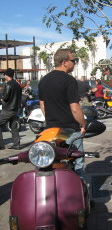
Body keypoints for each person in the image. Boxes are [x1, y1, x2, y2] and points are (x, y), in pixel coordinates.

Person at [38, 49, 86, 177]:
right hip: (70, 130)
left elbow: (42, 105)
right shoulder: (69, 80)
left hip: (51, 131)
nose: (75, 63)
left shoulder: (44, 80)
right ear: (64, 62)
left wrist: (51, 119)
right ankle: (80, 190)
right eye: (73, 60)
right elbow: (75, 108)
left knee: (56, 163)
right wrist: (83, 125)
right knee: (77, 162)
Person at [0, 68, 22, 150]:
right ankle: (16, 145)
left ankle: (1, 145)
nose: (4, 75)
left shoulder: (8, 84)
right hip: (15, 109)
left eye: (4, 74)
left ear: (7, 75)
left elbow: (5, 97)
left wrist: (1, 95)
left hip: (8, 109)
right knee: (14, 127)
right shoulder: (17, 85)